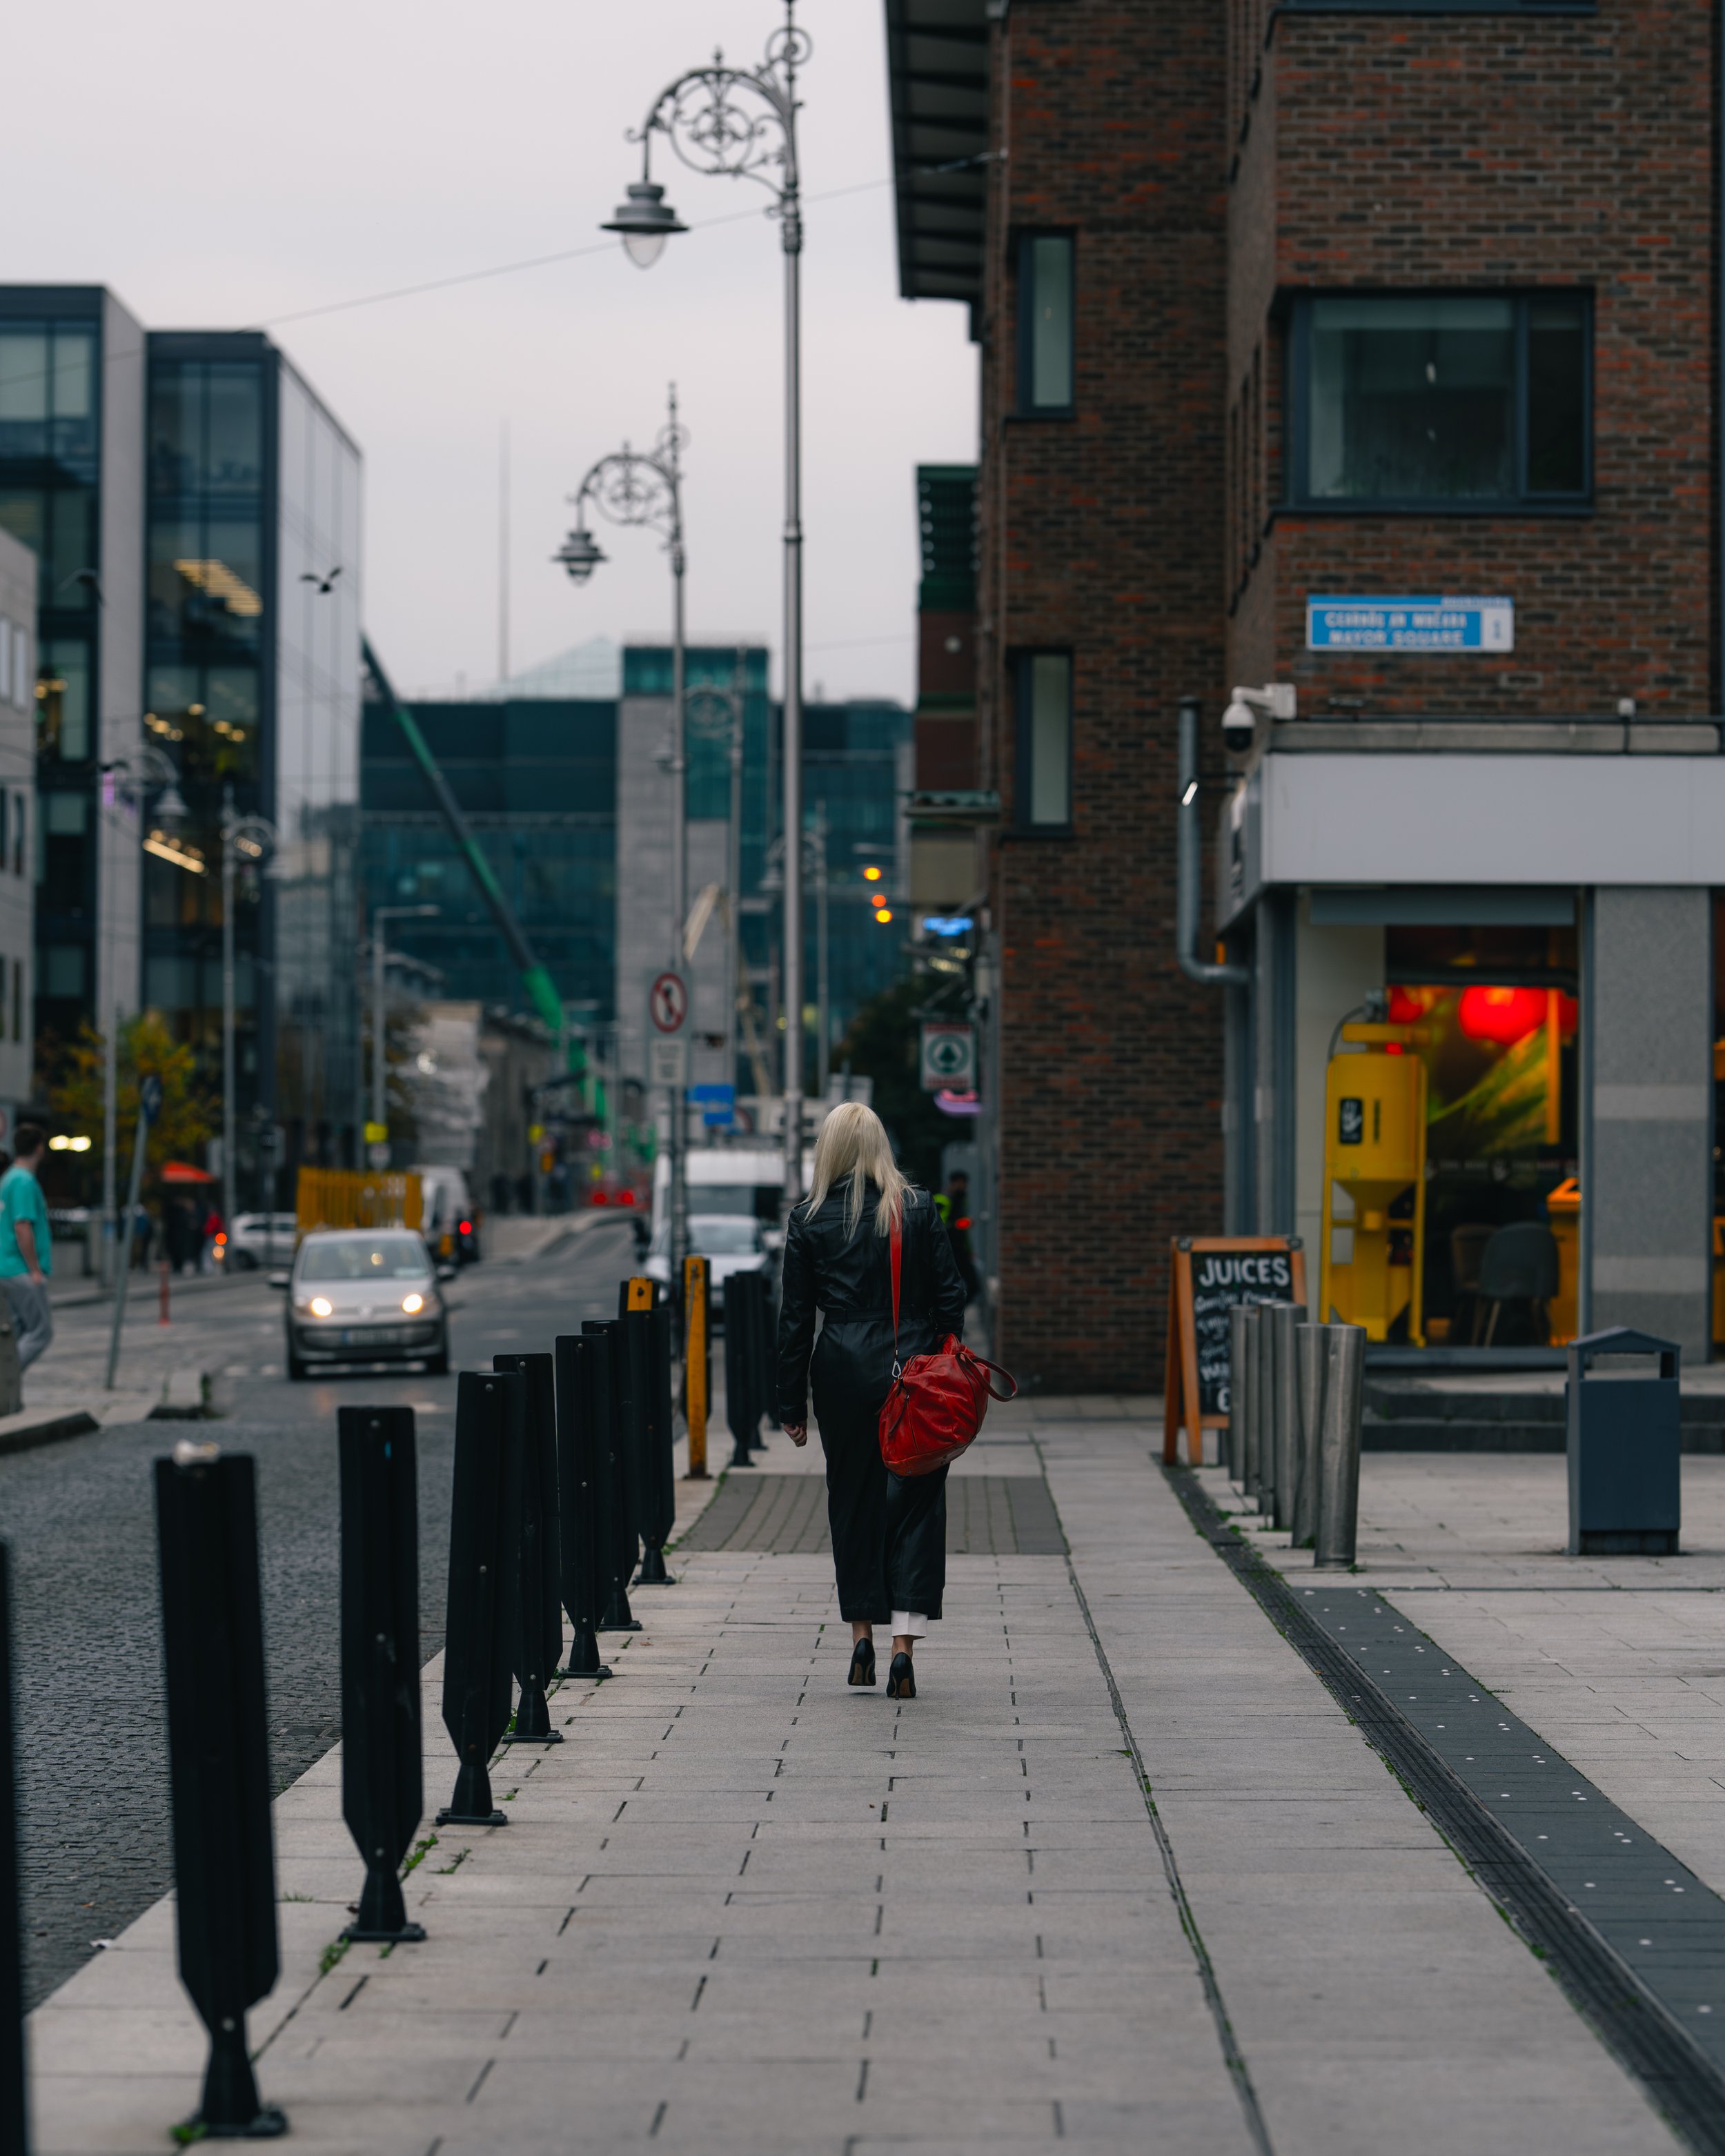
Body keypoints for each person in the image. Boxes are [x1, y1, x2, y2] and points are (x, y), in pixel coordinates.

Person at [777, 1102, 967, 1701]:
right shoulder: (917, 1207)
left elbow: (794, 1320)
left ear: (828, 1150)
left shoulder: (808, 1219)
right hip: (909, 1371)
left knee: (852, 1500)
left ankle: (861, 1633)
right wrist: (937, 1358)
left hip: (838, 1369)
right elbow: (951, 1298)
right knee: (915, 1501)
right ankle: (903, 1646)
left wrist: (790, 1403)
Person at [0, 1125, 54, 1381]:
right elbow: (22, 1226)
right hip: (20, 1268)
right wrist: (34, 1269)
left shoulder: (8, 1178)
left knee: (18, 1331)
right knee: (41, 1332)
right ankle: (5, 1379)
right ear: (39, 1148)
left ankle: (8, 1390)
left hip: (7, 1266)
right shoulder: (23, 1181)